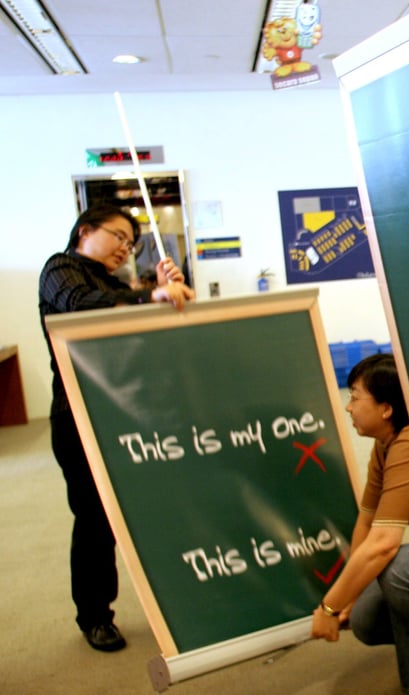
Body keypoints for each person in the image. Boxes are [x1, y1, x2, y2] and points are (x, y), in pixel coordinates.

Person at [38, 204, 194, 651]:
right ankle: (94, 616)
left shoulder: (119, 286)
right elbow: (80, 306)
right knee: (94, 517)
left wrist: (167, 296)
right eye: (120, 237)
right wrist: (149, 296)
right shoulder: (61, 269)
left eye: (132, 244)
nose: (126, 249)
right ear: (85, 231)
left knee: (141, 510)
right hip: (78, 415)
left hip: (126, 413)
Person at [310, 354, 409, 695]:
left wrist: (329, 606)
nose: (348, 407)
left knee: (399, 568)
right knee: (365, 618)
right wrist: (349, 597)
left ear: (386, 409)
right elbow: (367, 521)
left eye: (355, 397)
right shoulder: (385, 446)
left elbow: (384, 543)